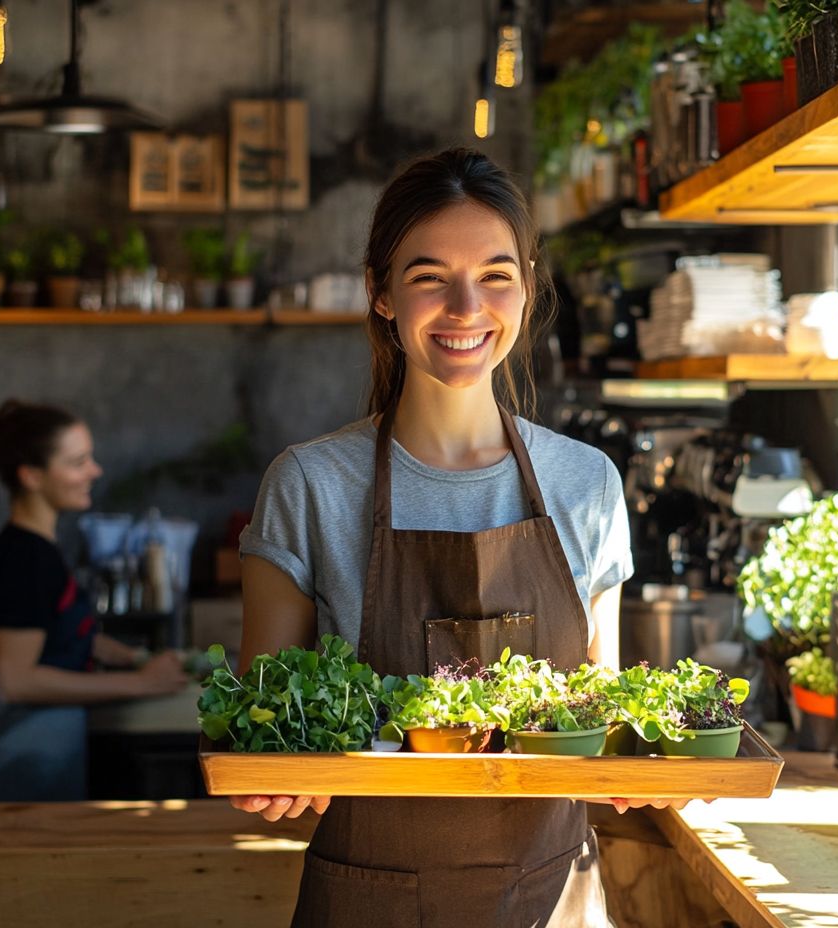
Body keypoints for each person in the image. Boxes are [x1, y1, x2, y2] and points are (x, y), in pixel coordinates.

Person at [232, 148, 691, 927]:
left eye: (496, 274)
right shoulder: (309, 485)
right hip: (367, 901)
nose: (466, 306)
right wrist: (271, 768)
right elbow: (261, 726)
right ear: (380, 291)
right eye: (428, 276)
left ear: (528, 283)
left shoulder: (587, 484)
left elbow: (596, 703)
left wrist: (636, 754)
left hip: (554, 895)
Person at [0, 399, 190, 801]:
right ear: (31, 476)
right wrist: (140, 683)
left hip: (49, 743)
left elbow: (67, 631)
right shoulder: (23, 561)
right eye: (78, 462)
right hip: (24, 755)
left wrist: (135, 659)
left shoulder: (42, 550)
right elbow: (14, 679)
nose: (94, 471)